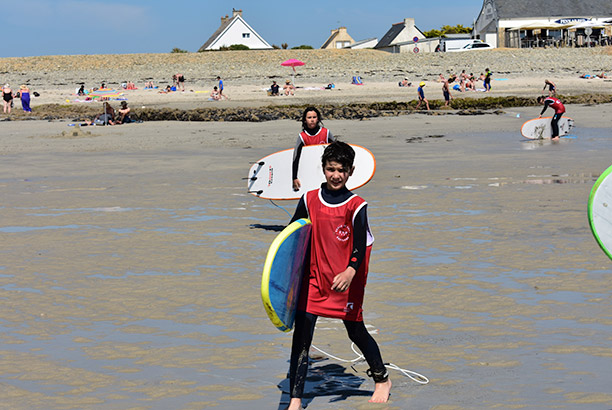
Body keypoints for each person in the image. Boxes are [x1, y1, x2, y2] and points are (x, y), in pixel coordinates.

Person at [286, 141, 391, 410]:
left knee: (355, 332)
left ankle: (382, 379)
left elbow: (358, 244)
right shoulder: (309, 199)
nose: (335, 175)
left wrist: (350, 270)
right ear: (323, 169)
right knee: (302, 338)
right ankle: (295, 400)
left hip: (347, 281)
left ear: (351, 171)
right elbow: (292, 237)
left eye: (341, 170)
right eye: (331, 169)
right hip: (314, 280)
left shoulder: (356, 205)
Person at [292, 107, 335, 191]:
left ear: (318, 119)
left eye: (314, 117)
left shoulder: (326, 133)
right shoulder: (302, 137)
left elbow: (337, 151)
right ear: (305, 120)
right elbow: (296, 158)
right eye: (309, 117)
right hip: (310, 173)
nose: (312, 120)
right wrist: (294, 177)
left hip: (326, 172)